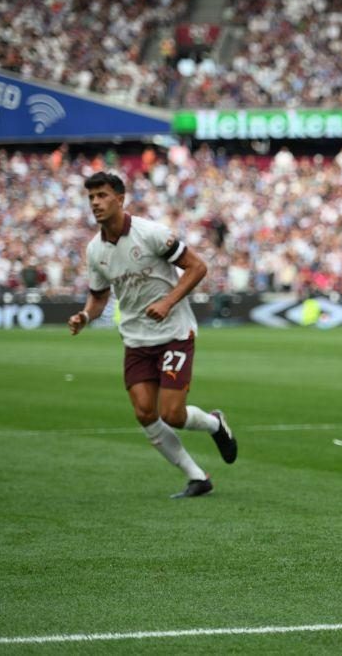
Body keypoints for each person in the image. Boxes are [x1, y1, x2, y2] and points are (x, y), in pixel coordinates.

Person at [68, 172, 237, 498]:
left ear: (120, 198)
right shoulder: (94, 250)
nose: (96, 203)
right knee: (145, 412)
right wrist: (85, 315)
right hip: (135, 338)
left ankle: (215, 424)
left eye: (102, 195)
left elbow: (198, 267)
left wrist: (168, 301)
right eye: (91, 198)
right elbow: (99, 295)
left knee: (172, 414)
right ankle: (197, 477)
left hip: (174, 331)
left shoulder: (151, 233)